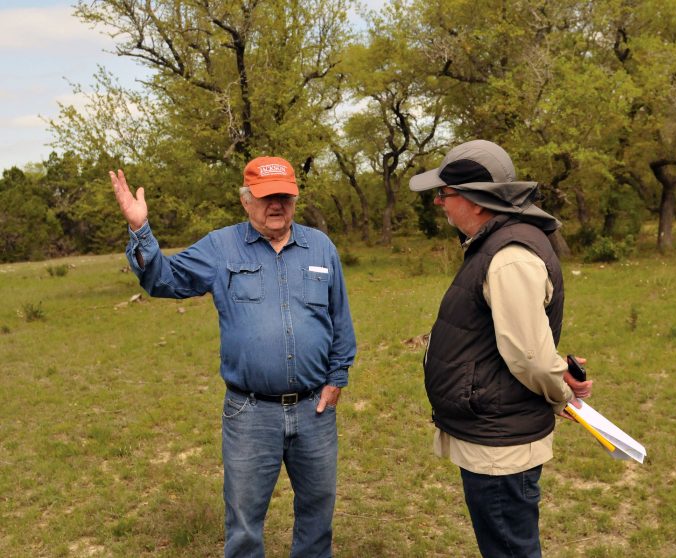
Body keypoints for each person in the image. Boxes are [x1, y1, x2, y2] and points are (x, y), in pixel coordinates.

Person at [110, 156, 356, 558]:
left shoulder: (321, 246)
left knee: (318, 514)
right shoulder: (220, 247)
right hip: (250, 412)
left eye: (285, 197)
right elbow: (162, 280)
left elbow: (339, 318)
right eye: (265, 197)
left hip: (315, 410)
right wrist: (141, 229)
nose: (276, 205)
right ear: (245, 200)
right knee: (243, 523)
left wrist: (337, 377)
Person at [409, 140, 593, 558]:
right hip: (494, 433)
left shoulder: (508, 255)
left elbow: (528, 355)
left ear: (476, 200)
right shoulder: (498, 244)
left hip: (500, 446)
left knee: (509, 550)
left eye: (445, 193)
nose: (439, 203)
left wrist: (561, 391)